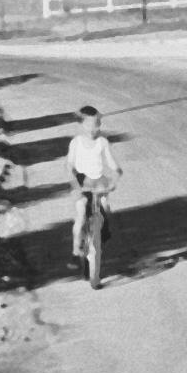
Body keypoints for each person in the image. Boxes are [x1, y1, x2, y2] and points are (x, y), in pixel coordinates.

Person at [66, 105, 123, 264]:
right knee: (81, 215)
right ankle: (75, 252)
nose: (93, 128)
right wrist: (72, 177)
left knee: (105, 208)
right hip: (81, 182)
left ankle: (102, 232)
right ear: (81, 125)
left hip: (98, 182)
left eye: (97, 124)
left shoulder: (102, 142)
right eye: (89, 125)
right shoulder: (76, 142)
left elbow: (111, 162)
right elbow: (70, 164)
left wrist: (116, 173)